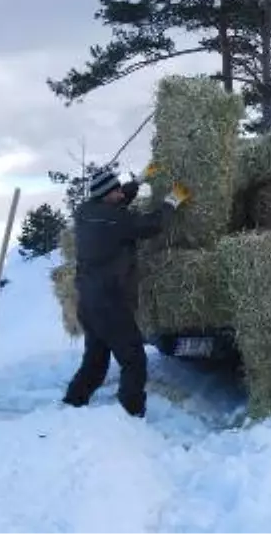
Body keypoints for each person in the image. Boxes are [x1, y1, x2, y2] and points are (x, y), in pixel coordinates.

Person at [62, 163, 190, 418]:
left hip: (88, 302)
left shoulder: (85, 212)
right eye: (116, 191)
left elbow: (116, 205)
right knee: (134, 361)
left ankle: (71, 405)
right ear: (106, 196)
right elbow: (151, 225)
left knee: (95, 363)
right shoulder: (116, 220)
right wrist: (171, 202)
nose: (121, 193)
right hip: (110, 302)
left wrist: (139, 180)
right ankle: (130, 415)